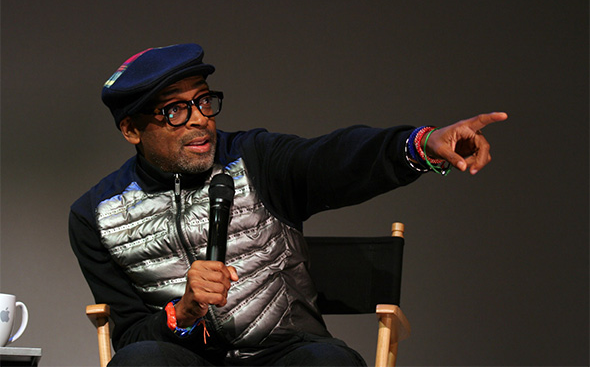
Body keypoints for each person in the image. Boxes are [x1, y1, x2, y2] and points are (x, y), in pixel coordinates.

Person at [69, 43, 507, 366]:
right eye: (175, 111)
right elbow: (130, 333)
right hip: (189, 359)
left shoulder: (256, 159)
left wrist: (420, 144)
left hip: (285, 353)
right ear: (131, 130)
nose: (201, 117)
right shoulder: (96, 215)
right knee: (139, 361)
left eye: (203, 100)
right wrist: (181, 312)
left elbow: (336, 158)